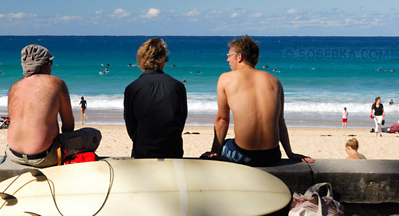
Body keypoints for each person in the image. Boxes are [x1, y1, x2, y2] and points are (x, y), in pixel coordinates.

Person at [202, 35, 313, 166]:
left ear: (239, 57)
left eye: (229, 55)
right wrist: (290, 153)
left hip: (243, 155)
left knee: (225, 144)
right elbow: (280, 121)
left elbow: (222, 120)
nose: (227, 60)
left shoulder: (226, 79)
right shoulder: (275, 81)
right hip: (272, 155)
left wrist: (214, 152)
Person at [6, 44, 101, 167]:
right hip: (43, 156)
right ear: (46, 64)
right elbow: (68, 126)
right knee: (94, 135)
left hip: (13, 154)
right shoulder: (57, 83)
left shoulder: (14, 87)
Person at [124, 38, 187, 159]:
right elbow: (180, 122)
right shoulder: (178, 86)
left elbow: (131, 126)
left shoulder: (132, 88)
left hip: (143, 150)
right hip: (172, 150)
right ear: (163, 60)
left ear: (141, 60)